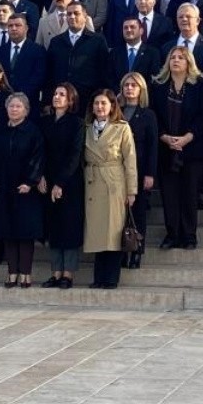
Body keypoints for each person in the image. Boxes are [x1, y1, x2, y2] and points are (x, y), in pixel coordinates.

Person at [152, 47, 203, 250]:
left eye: (181, 58)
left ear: (189, 62)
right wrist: (164, 137)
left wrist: (187, 137)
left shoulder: (201, 85)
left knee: (189, 193)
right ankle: (172, 234)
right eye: (173, 58)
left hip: (192, 149)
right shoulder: (159, 87)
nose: (176, 61)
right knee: (169, 194)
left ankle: (189, 235)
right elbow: (154, 116)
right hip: (165, 148)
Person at [0, 93, 45, 288]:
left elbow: (38, 158)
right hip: (4, 188)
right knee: (8, 231)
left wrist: (30, 181)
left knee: (25, 233)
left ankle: (25, 274)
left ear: (26, 110)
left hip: (25, 190)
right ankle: (12, 273)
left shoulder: (33, 132)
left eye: (18, 107)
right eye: (11, 106)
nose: (14, 110)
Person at [83, 90, 137, 289]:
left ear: (112, 106)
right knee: (97, 232)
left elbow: (130, 160)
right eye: (96, 103)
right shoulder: (87, 128)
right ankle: (99, 277)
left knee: (113, 232)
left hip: (114, 182)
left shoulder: (121, 128)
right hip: (93, 180)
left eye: (104, 103)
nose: (100, 107)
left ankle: (111, 278)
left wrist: (131, 190)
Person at [39, 83, 85, 288]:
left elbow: (75, 156)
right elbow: (40, 151)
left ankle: (68, 274)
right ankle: (56, 272)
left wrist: (60, 182)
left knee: (69, 228)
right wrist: (39, 176)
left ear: (70, 100)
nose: (56, 97)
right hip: (47, 180)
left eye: (62, 94)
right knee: (53, 227)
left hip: (69, 182)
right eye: (55, 93)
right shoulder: (46, 122)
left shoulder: (77, 123)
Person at [119, 73, 157, 269]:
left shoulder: (148, 114)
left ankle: (136, 251)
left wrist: (150, 173)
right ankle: (121, 251)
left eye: (134, 85)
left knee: (138, 213)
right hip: (117, 170)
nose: (130, 88)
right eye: (126, 85)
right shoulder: (116, 111)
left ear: (141, 89)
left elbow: (152, 146)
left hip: (140, 168)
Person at [46, 3, 110, 107]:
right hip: (61, 101)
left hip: (87, 100)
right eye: (69, 14)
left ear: (85, 17)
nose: (72, 16)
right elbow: (49, 73)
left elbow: (104, 72)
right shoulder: (56, 42)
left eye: (76, 13)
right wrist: (47, 100)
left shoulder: (97, 41)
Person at [0, 13, 46, 109]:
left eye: (17, 25)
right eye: (10, 26)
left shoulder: (38, 51)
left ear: (26, 28)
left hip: (28, 103)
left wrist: (20, 96)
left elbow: (38, 77)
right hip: (3, 102)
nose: (13, 28)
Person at [110, 17, 162, 87]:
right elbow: (109, 78)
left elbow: (154, 77)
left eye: (132, 27)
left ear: (141, 31)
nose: (128, 30)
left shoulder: (153, 53)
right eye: (125, 28)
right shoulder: (114, 53)